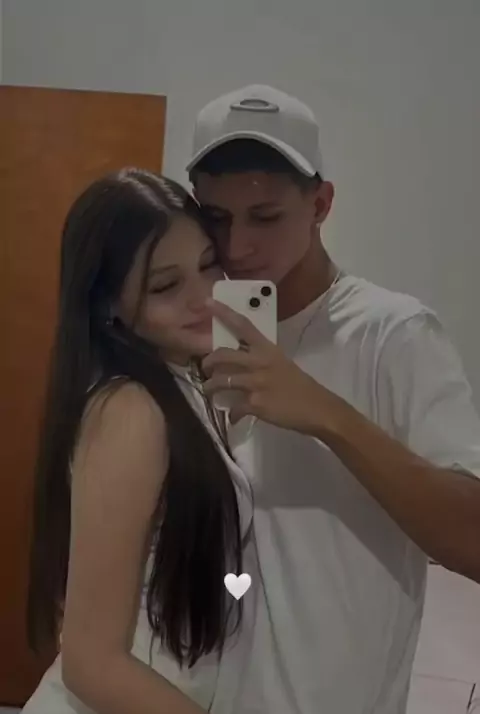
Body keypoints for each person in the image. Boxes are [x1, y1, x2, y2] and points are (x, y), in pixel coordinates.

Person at [187, 84, 480, 714]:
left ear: (320, 204)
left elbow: (472, 539)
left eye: (266, 217)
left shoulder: (393, 334)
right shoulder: (189, 328)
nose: (237, 247)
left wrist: (323, 412)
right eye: (216, 218)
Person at [22, 168, 256, 714]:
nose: (205, 297)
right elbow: (90, 662)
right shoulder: (130, 411)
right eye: (166, 286)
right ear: (109, 306)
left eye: (209, 265)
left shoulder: (184, 385)